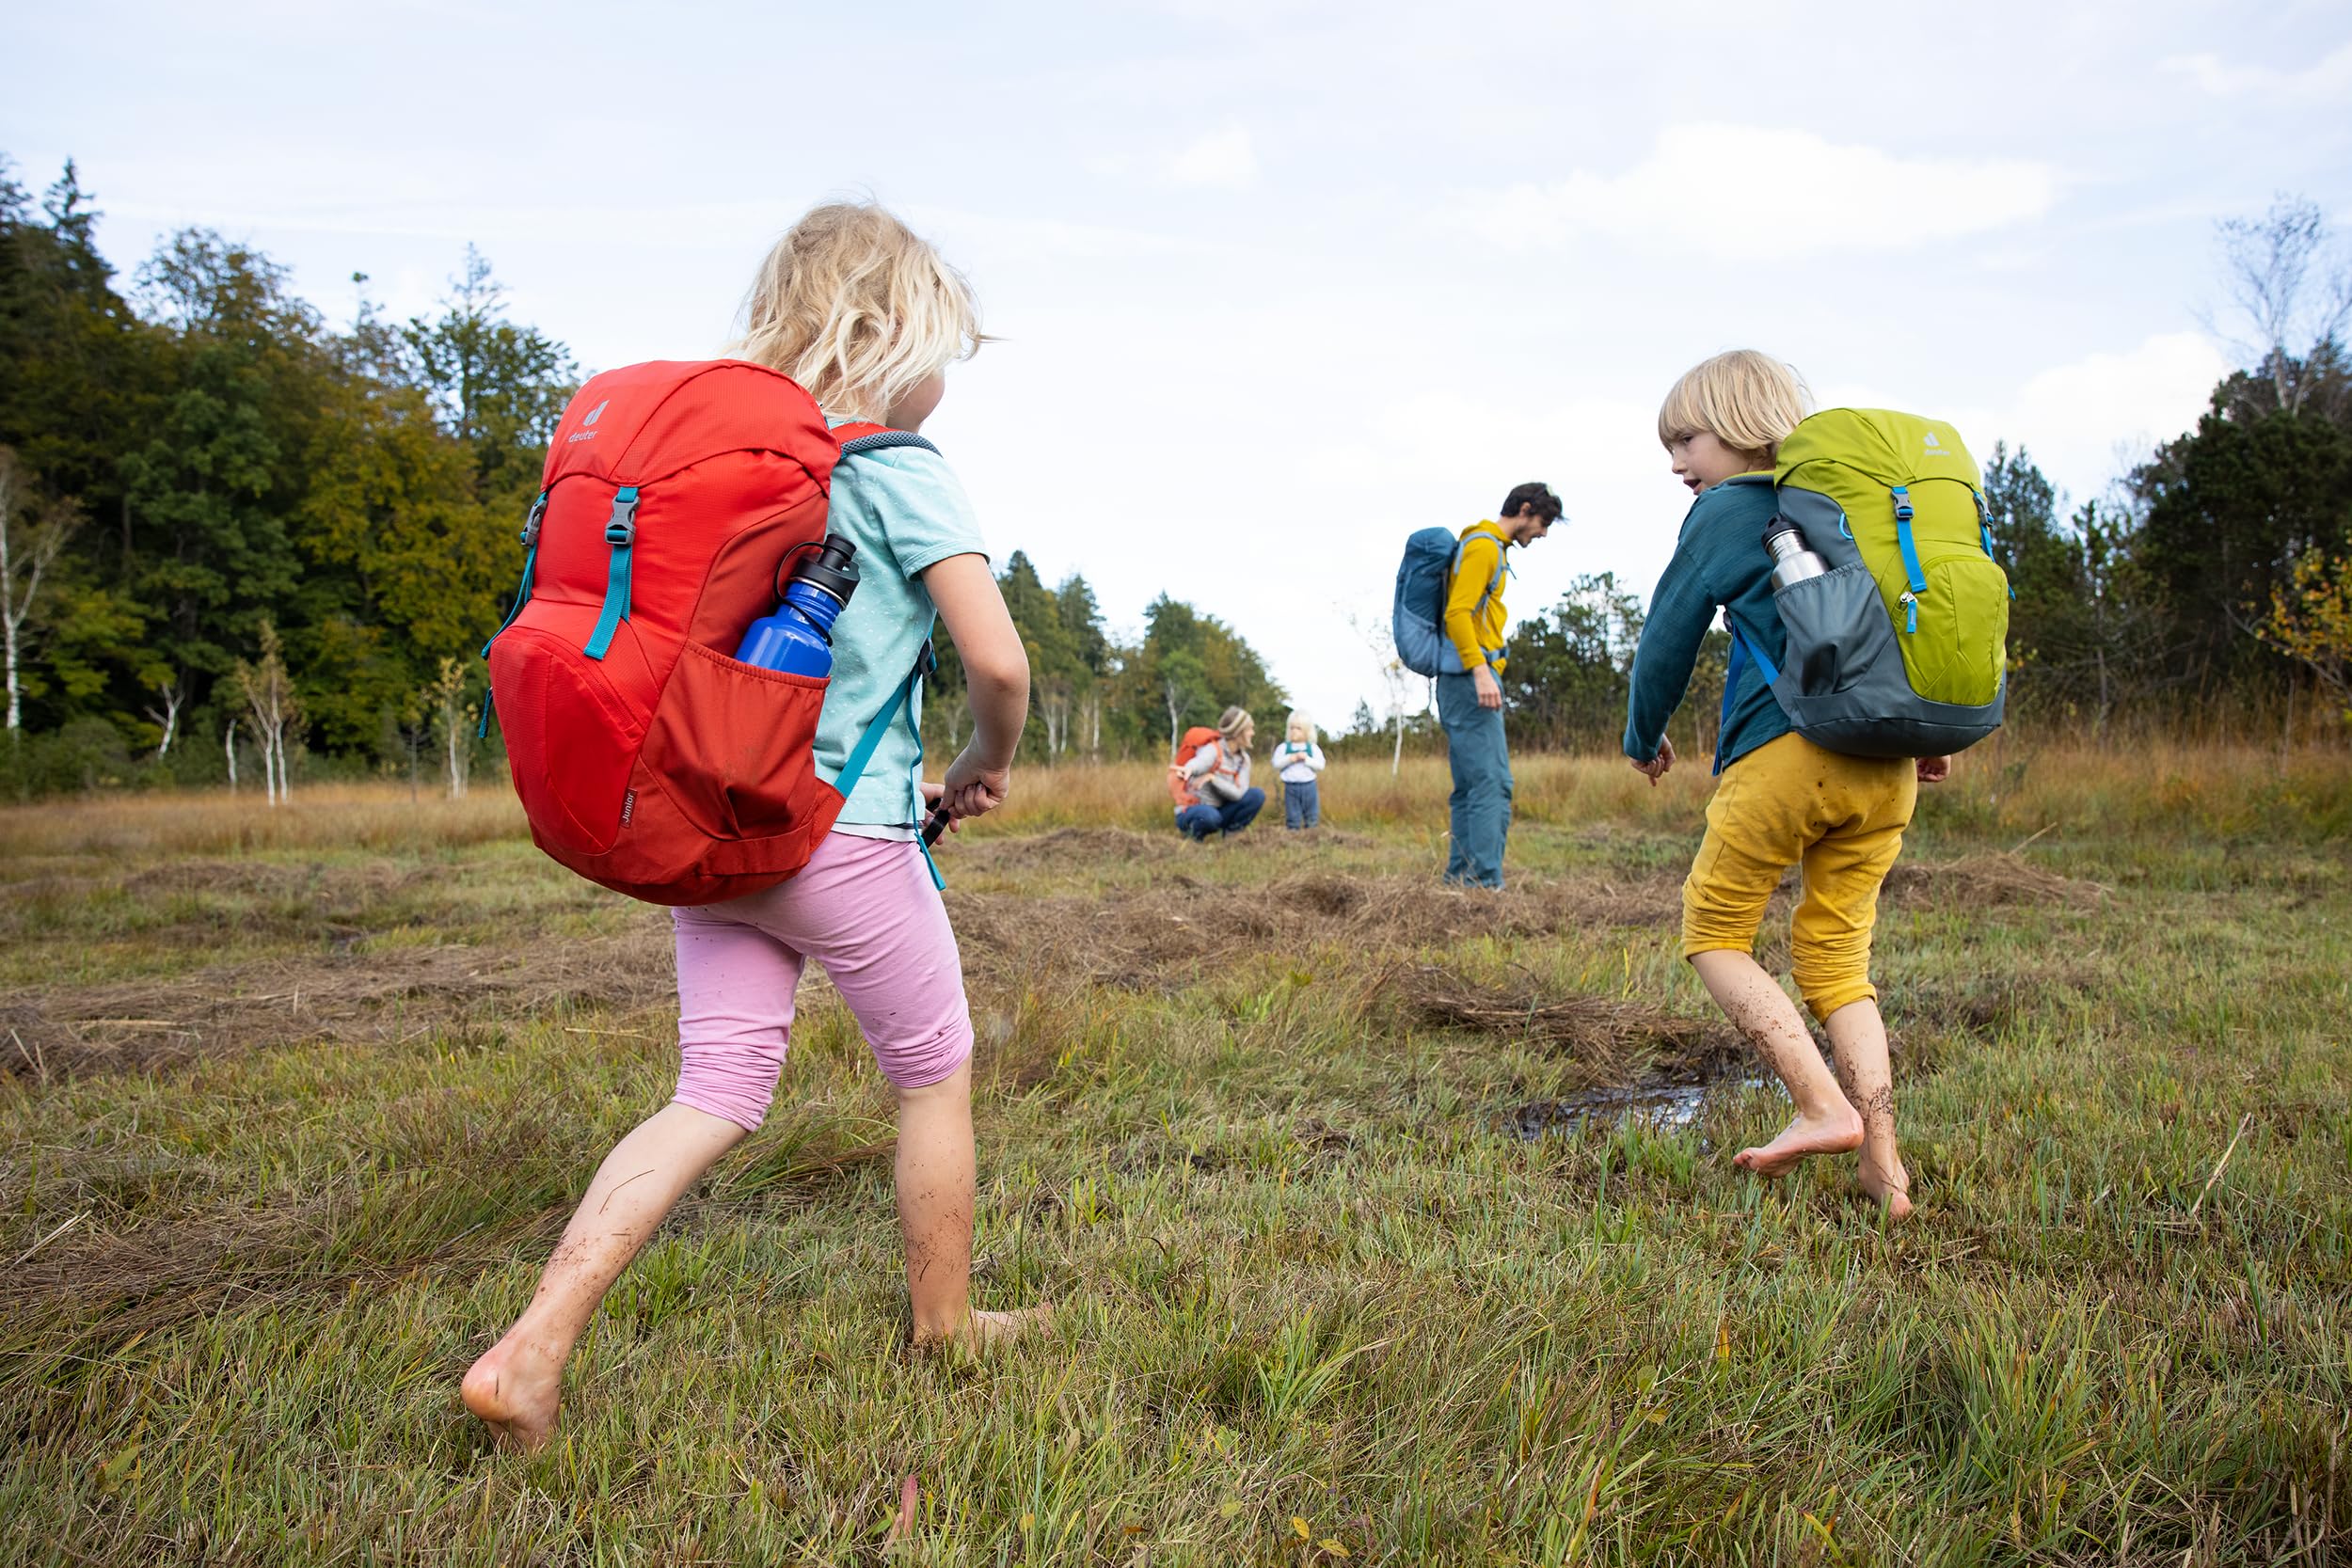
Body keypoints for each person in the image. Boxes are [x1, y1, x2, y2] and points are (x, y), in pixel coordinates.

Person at [462, 202, 1048, 1453]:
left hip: (713, 824)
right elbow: (998, 663)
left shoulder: (751, 472)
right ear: (891, 335)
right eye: (943, 350)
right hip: (842, 834)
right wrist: (981, 763)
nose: (944, 380)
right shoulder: (897, 466)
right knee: (932, 1069)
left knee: (714, 1086)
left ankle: (534, 1343)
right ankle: (942, 1321)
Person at [1622, 349, 1947, 1218]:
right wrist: (1921, 730)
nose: (1676, 462)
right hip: (1886, 764)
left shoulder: (1731, 511)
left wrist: (1641, 733)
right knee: (1842, 963)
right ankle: (1885, 1166)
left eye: (1685, 439)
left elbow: (1668, 634)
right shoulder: (1848, 506)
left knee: (1715, 931)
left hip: (1785, 755)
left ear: (1734, 425)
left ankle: (1818, 1104)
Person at [1439, 482, 1561, 888]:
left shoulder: (1486, 545)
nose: (1543, 533)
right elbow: (1457, 613)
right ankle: (1483, 886)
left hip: (1465, 677)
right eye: (1543, 523)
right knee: (1493, 783)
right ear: (1525, 509)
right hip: (1471, 677)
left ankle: (1461, 879)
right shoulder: (1484, 547)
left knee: (1473, 785)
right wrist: (1479, 671)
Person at [1174, 706, 1263, 840]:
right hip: (1194, 810)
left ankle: (1232, 836)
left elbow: (1238, 794)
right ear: (1237, 732)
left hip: (1220, 811)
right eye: (1249, 729)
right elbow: (1200, 762)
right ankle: (1192, 839)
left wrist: (1213, 779)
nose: (1253, 733)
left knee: (1256, 795)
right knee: (1210, 816)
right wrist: (1189, 769)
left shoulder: (1244, 760)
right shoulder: (1213, 749)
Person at [1271, 712, 1326, 830]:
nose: (1294, 731)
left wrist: (1306, 759)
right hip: (1291, 787)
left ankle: (1311, 836)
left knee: (1311, 814)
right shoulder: (1284, 747)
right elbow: (1276, 764)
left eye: (1298, 728)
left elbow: (1320, 765)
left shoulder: (1313, 748)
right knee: (1292, 815)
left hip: (1309, 786)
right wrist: (1290, 759)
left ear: (1307, 731)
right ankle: (1293, 835)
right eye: (1291, 728)